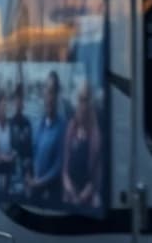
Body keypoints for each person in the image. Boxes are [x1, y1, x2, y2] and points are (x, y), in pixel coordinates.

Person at [62, 81, 104, 210]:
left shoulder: (96, 135)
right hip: (69, 194)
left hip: (87, 198)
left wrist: (81, 197)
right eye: (80, 100)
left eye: (85, 100)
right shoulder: (71, 128)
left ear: (90, 103)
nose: (82, 105)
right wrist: (70, 191)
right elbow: (65, 170)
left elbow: (96, 178)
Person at [27, 71, 65, 204]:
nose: (49, 97)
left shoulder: (62, 127)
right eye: (46, 91)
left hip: (51, 196)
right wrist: (28, 175)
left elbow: (59, 165)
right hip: (35, 192)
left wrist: (38, 183)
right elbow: (32, 153)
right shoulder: (39, 125)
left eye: (52, 91)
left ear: (57, 95)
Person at [8, 83, 34, 198]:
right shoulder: (9, 124)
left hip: (24, 173)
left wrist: (28, 174)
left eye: (21, 100)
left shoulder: (27, 124)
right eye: (17, 99)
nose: (19, 103)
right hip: (11, 172)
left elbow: (29, 152)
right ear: (14, 102)